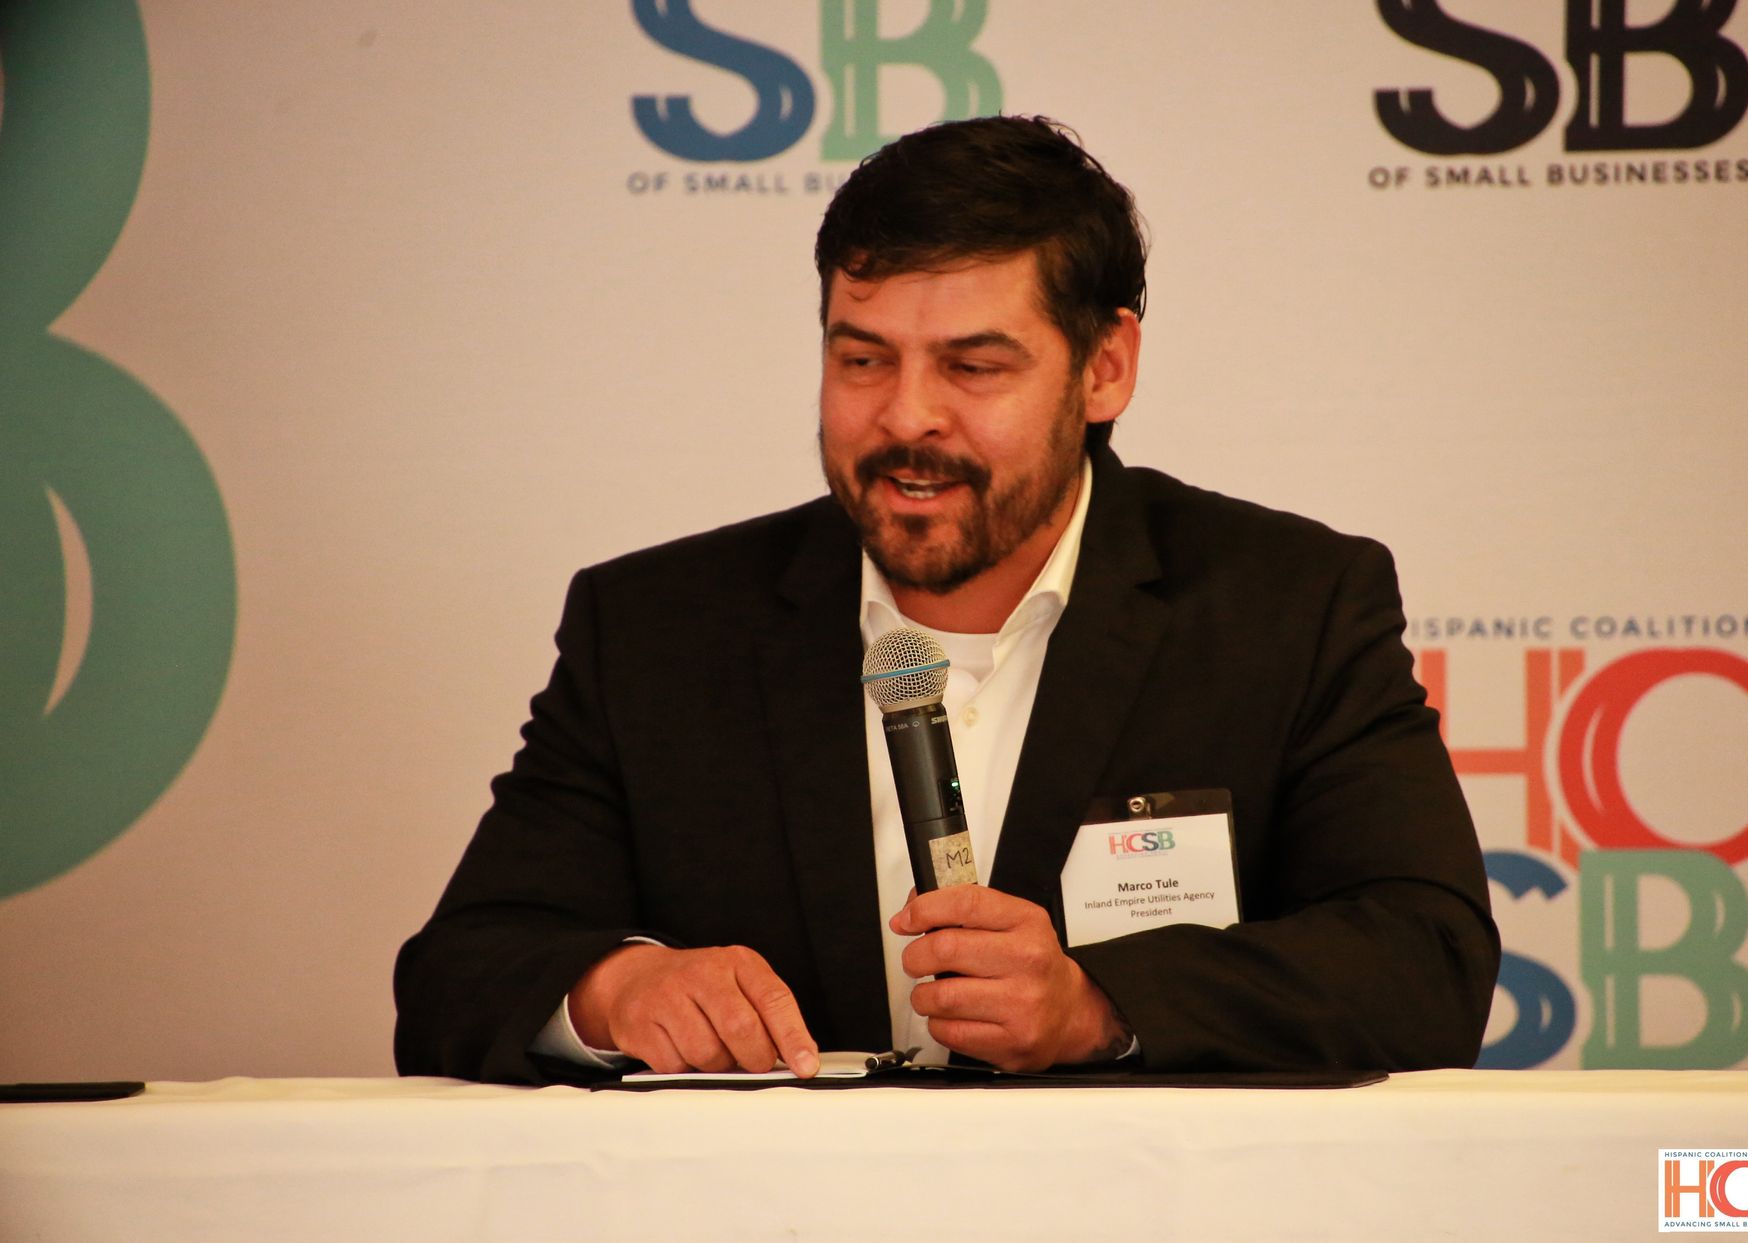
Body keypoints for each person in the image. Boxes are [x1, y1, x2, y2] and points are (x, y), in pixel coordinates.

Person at [394, 116, 1498, 1084]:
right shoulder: (654, 629)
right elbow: (459, 969)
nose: (906, 417)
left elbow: (1425, 958)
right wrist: (612, 988)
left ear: (1105, 366)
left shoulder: (1288, 606)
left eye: (973, 367)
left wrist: (1098, 1006)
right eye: (863, 359)